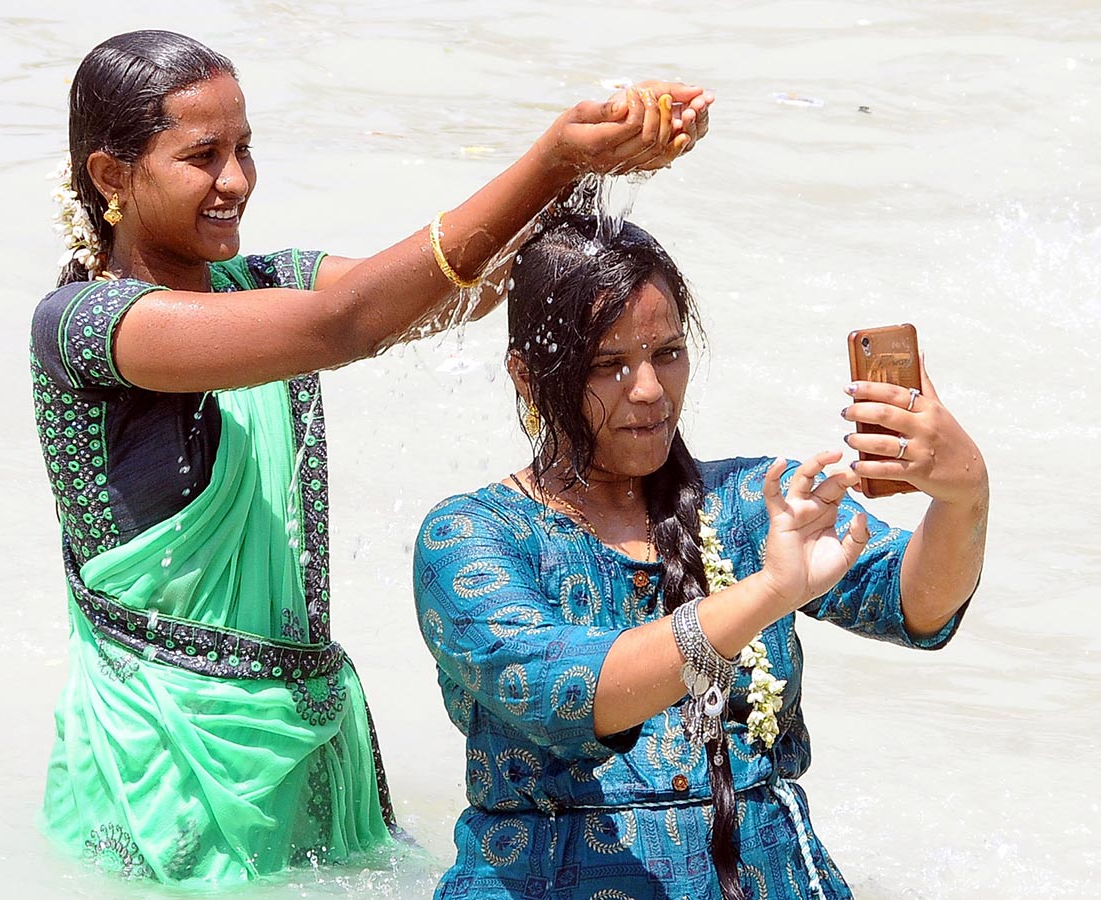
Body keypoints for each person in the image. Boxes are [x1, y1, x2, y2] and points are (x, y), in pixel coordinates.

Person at [30, 30, 711, 886]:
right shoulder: (83, 326)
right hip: (163, 762)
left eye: (245, 149)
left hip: (308, 743)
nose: (235, 180)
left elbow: (445, 293)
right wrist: (550, 158)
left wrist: (599, 168)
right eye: (202, 156)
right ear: (110, 176)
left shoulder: (266, 280)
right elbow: (346, 325)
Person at [412, 209, 988, 899]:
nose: (650, 389)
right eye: (608, 364)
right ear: (528, 377)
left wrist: (962, 497)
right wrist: (767, 594)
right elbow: (564, 693)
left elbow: (916, 605)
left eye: (667, 352)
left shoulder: (752, 502)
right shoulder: (469, 538)